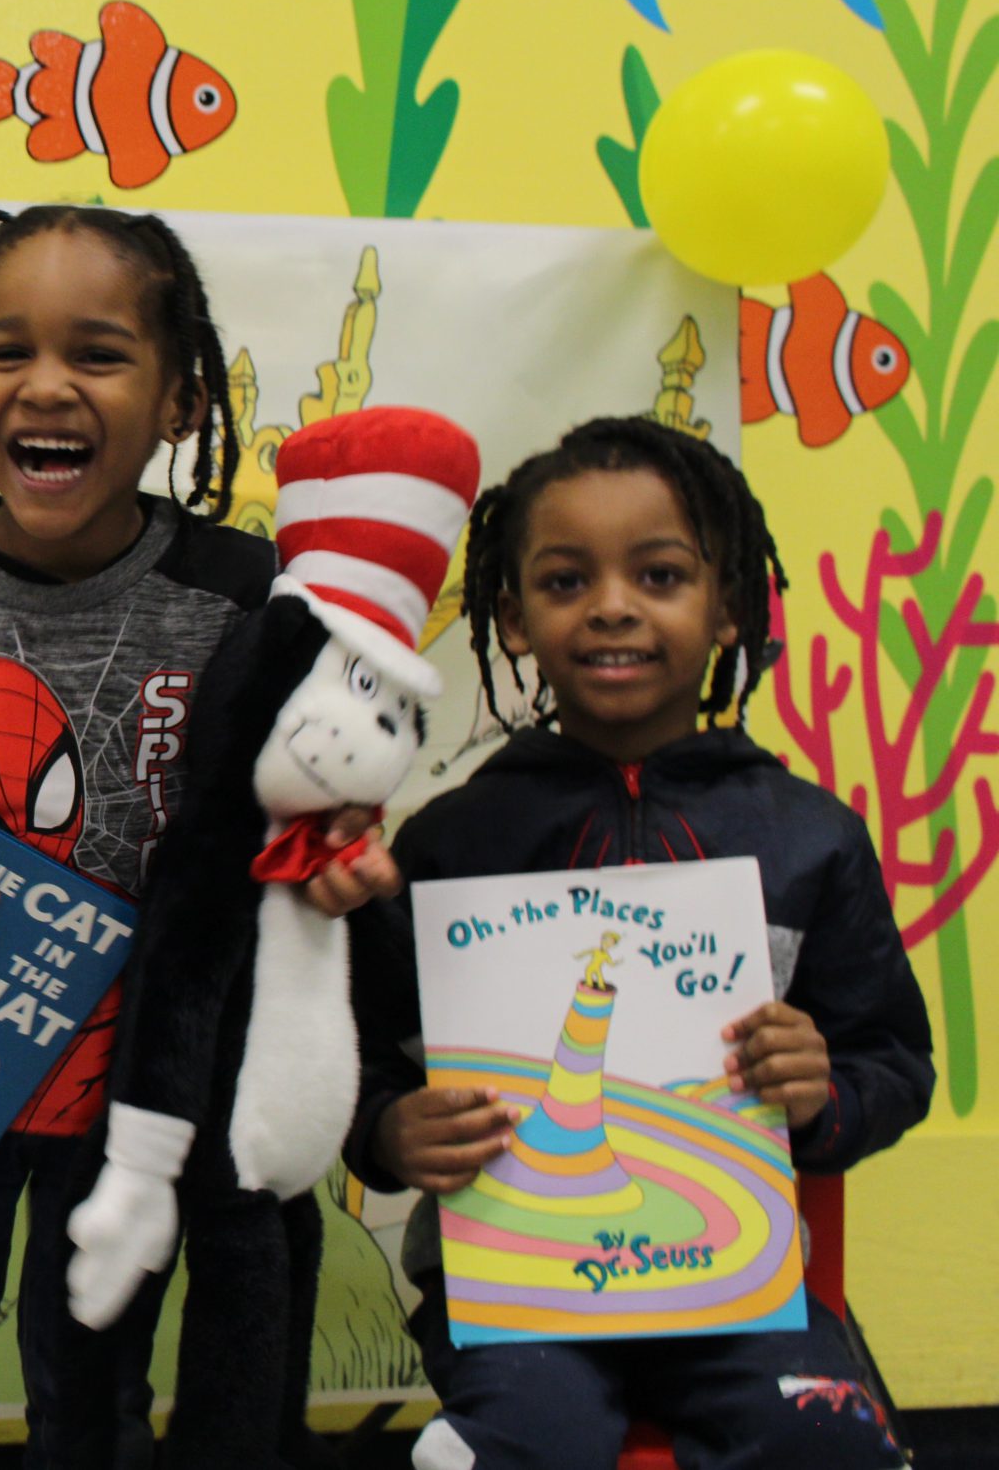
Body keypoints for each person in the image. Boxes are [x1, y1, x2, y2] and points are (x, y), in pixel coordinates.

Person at [0, 204, 390, 1470]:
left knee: (91, 1399)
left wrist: (340, 856)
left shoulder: (245, 593)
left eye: (101, 353)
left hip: (135, 1083)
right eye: (5, 351)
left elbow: (299, 787)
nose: (46, 385)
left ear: (180, 400)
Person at [344, 416, 934, 1470]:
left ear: (728, 610)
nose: (612, 605)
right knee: (527, 1441)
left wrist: (819, 1093)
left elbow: (892, 1062)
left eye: (659, 575)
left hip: (740, 1287)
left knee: (825, 1445)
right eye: (567, 582)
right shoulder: (445, 844)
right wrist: (390, 1134)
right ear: (512, 618)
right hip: (512, 1295)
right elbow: (355, 1068)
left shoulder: (809, 840)